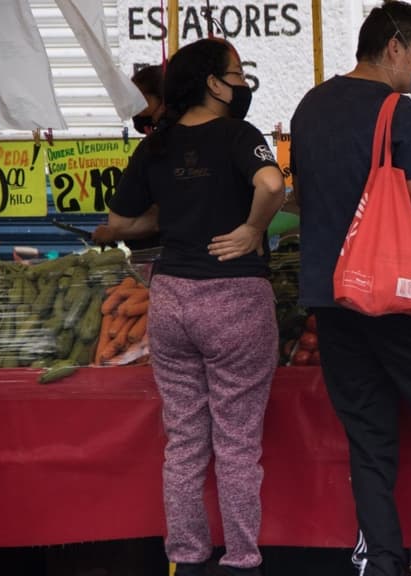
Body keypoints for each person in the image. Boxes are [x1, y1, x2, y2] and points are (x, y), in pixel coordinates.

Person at [289, 2, 411, 576]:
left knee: (368, 433)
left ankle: (377, 560)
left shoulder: (309, 106)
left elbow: (304, 200)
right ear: (395, 46)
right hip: (399, 294)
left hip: (331, 298)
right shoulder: (396, 110)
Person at [99, 38, 285, 576]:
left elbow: (123, 223)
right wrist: (252, 228)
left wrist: (174, 214)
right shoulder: (238, 135)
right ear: (212, 82)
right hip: (234, 299)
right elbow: (272, 183)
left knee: (183, 442)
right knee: (236, 442)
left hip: (172, 298)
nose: (243, 82)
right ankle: (242, 558)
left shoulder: (155, 145)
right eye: (236, 73)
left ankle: (185, 555)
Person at [92, 65, 165, 250]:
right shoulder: (154, 144)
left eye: (139, 99)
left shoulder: (156, 146)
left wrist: (115, 231)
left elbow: (126, 222)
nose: (135, 107)